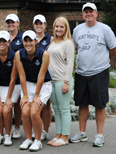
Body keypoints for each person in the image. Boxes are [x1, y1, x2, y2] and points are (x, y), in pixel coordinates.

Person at [69, 2, 116, 147]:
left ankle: (99, 135)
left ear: (96, 13)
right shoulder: (77, 29)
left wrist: (103, 60)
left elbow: (114, 48)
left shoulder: (105, 29)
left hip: (99, 72)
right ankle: (82, 133)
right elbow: (76, 48)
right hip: (81, 72)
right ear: (83, 14)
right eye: (86, 12)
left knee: (100, 104)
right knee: (82, 103)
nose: (88, 14)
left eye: (91, 11)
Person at [15, 30, 52, 151]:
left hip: (43, 86)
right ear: (22, 42)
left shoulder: (44, 54)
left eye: (30, 40)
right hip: (27, 85)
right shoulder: (18, 54)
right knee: (25, 112)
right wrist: (25, 95)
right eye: (25, 41)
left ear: (36, 41)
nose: (28, 43)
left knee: (34, 112)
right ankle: (28, 139)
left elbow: (41, 76)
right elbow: (22, 76)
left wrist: (37, 95)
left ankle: (37, 140)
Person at [0, 30, 21, 146]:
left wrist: (8, 98)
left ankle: (7, 135)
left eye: (4, 41)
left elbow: (13, 79)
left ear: (8, 42)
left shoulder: (15, 55)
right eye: (0, 41)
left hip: (14, 86)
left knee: (7, 110)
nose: (2, 43)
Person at [46, 17, 75, 147]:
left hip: (62, 81)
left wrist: (66, 82)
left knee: (64, 109)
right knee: (56, 110)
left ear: (66, 28)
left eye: (61, 27)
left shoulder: (68, 43)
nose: (58, 29)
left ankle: (65, 137)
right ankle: (58, 135)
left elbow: (70, 63)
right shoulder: (53, 42)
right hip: (52, 81)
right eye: (57, 26)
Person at [32, 14, 53, 140]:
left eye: (41, 23)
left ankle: (45, 130)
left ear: (45, 25)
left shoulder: (50, 39)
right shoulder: (30, 38)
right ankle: (37, 129)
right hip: (32, 76)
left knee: (46, 104)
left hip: (46, 76)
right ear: (33, 25)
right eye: (36, 23)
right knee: (35, 104)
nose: (39, 26)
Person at [5, 14, 23, 139]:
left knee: (17, 104)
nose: (10, 24)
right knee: (6, 103)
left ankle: (16, 128)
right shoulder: (3, 36)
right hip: (5, 75)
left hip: (19, 75)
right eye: (8, 22)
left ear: (18, 23)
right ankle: (6, 129)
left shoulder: (23, 37)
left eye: (13, 22)